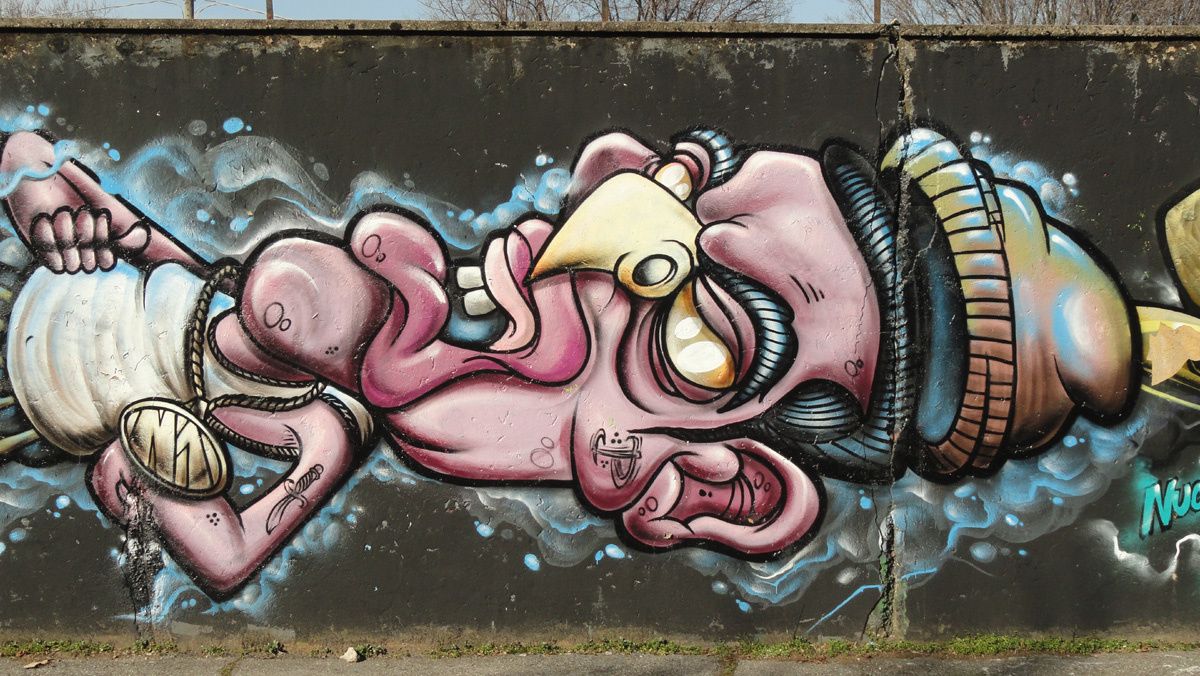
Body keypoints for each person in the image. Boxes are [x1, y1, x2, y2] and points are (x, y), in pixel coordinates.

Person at [0, 125, 1166, 597]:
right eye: (675, 181)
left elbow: (226, 556)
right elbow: (77, 192)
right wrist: (36, 172)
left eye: (699, 332)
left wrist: (153, 475)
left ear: (712, 488)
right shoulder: (308, 327)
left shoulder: (324, 428)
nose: (592, 223)